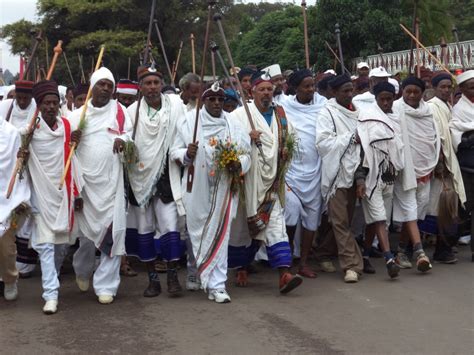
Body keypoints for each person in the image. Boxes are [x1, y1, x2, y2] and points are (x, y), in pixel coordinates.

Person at [171, 82, 251, 303]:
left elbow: (246, 155)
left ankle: (217, 285)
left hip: (224, 187)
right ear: (203, 101)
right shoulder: (189, 122)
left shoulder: (233, 124)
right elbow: (173, 152)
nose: (216, 103)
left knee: (221, 233)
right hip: (196, 187)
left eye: (220, 100)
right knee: (196, 230)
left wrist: (238, 164)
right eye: (211, 99)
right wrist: (187, 153)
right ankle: (195, 269)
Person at [228, 72, 303, 294]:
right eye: (262, 89)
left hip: (272, 182)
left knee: (276, 226)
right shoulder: (240, 116)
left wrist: (287, 148)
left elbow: (293, 138)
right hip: (248, 182)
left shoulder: (281, 115)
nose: (267, 93)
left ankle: (284, 274)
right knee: (243, 228)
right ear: (252, 92)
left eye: (270, 89)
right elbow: (230, 141)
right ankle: (242, 267)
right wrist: (246, 138)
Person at [69, 67, 132, 304]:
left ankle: (107, 285)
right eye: (101, 84)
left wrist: (122, 140)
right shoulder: (77, 116)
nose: (106, 88)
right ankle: (83, 269)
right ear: (92, 87)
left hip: (111, 184)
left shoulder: (120, 111)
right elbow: (65, 147)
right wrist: (71, 138)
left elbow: (130, 136)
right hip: (85, 185)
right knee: (86, 237)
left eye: (109, 85)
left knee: (113, 234)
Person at [125, 65, 186, 297]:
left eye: (156, 83)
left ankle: (172, 278)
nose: (152, 87)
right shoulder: (132, 112)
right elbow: (124, 137)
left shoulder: (176, 107)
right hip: (139, 179)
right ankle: (152, 281)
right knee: (145, 230)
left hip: (166, 178)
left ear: (162, 84)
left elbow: (186, 129)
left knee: (170, 228)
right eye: (147, 84)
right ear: (140, 87)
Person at [28, 80, 83, 314]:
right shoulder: (29, 131)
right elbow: (20, 164)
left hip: (63, 193)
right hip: (40, 193)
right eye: (46, 103)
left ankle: (55, 275)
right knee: (46, 245)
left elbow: (74, 159)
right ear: (39, 106)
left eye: (54, 103)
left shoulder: (68, 127)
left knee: (62, 245)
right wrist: (22, 149)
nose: (51, 107)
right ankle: (50, 294)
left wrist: (77, 190)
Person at [315, 74, 364, 283]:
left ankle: (324, 252)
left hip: (355, 172)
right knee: (341, 222)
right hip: (336, 174)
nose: (349, 94)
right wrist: (351, 138)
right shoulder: (327, 113)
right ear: (333, 92)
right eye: (344, 90)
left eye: (351, 89)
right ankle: (352, 265)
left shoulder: (359, 112)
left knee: (344, 220)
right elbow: (323, 143)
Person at [355, 82, 405, 278]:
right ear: (376, 99)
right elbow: (360, 153)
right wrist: (360, 180)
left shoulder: (396, 119)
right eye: (382, 99)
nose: (385, 102)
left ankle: (365, 256)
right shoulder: (367, 118)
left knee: (374, 222)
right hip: (370, 179)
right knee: (380, 219)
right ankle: (389, 259)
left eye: (389, 99)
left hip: (389, 177)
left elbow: (400, 149)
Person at [282, 69, 325, 278]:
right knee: (291, 211)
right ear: (295, 88)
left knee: (311, 220)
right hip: (291, 172)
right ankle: (287, 258)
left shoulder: (323, 106)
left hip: (314, 170)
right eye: (306, 86)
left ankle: (304, 263)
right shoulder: (284, 106)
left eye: (312, 85)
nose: (310, 90)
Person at [391, 76, 437, 272]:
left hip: (426, 169)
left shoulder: (428, 111)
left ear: (422, 93)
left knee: (418, 211)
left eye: (415, 92)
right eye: (407, 91)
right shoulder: (395, 109)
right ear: (402, 91)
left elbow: (433, 138)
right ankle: (409, 252)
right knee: (408, 210)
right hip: (405, 169)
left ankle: (404, 249)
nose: (411, 95)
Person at [426, 72, 466, 264]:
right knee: (440, 208)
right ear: (434, 88)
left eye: (448, 86)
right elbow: (435, 136)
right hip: (442, 165)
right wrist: (440, 162)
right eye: (442, 86)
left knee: (446, 208)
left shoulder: (447, 106)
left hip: (451, 162)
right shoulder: (433, 107)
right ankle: (439, 250)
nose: (446, 90)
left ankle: (443, 248)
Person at [0, 80, 38, 278]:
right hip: (7, 168)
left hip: (30, 167)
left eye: (26, 98)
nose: (22, 101)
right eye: (19, 97)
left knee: (25, 214)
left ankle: (25, 264)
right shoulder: (5, 107)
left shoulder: (37, 110)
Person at [0, 113, 31, 301]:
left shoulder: (10, 133)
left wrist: (19, 198)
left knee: (5, 247)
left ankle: (10, 279)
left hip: (5, 198)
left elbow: (18, 166)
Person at [450, 70, 474, 262]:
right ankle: (449, 240)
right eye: (471, 86)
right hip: (468, 165)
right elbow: (457, 133)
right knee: (467, 206)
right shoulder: (458, 109)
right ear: (462, 89)